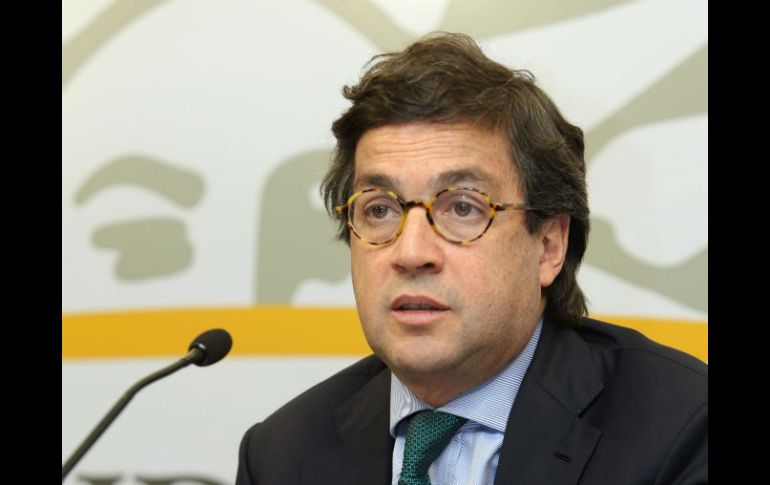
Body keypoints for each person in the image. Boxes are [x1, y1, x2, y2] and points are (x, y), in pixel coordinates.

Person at [235, 32, 707, 485]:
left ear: (548, 246)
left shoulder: (682, 430)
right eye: (379, 210)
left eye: (463, 208)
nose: (411, 253)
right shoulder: (281, 456)